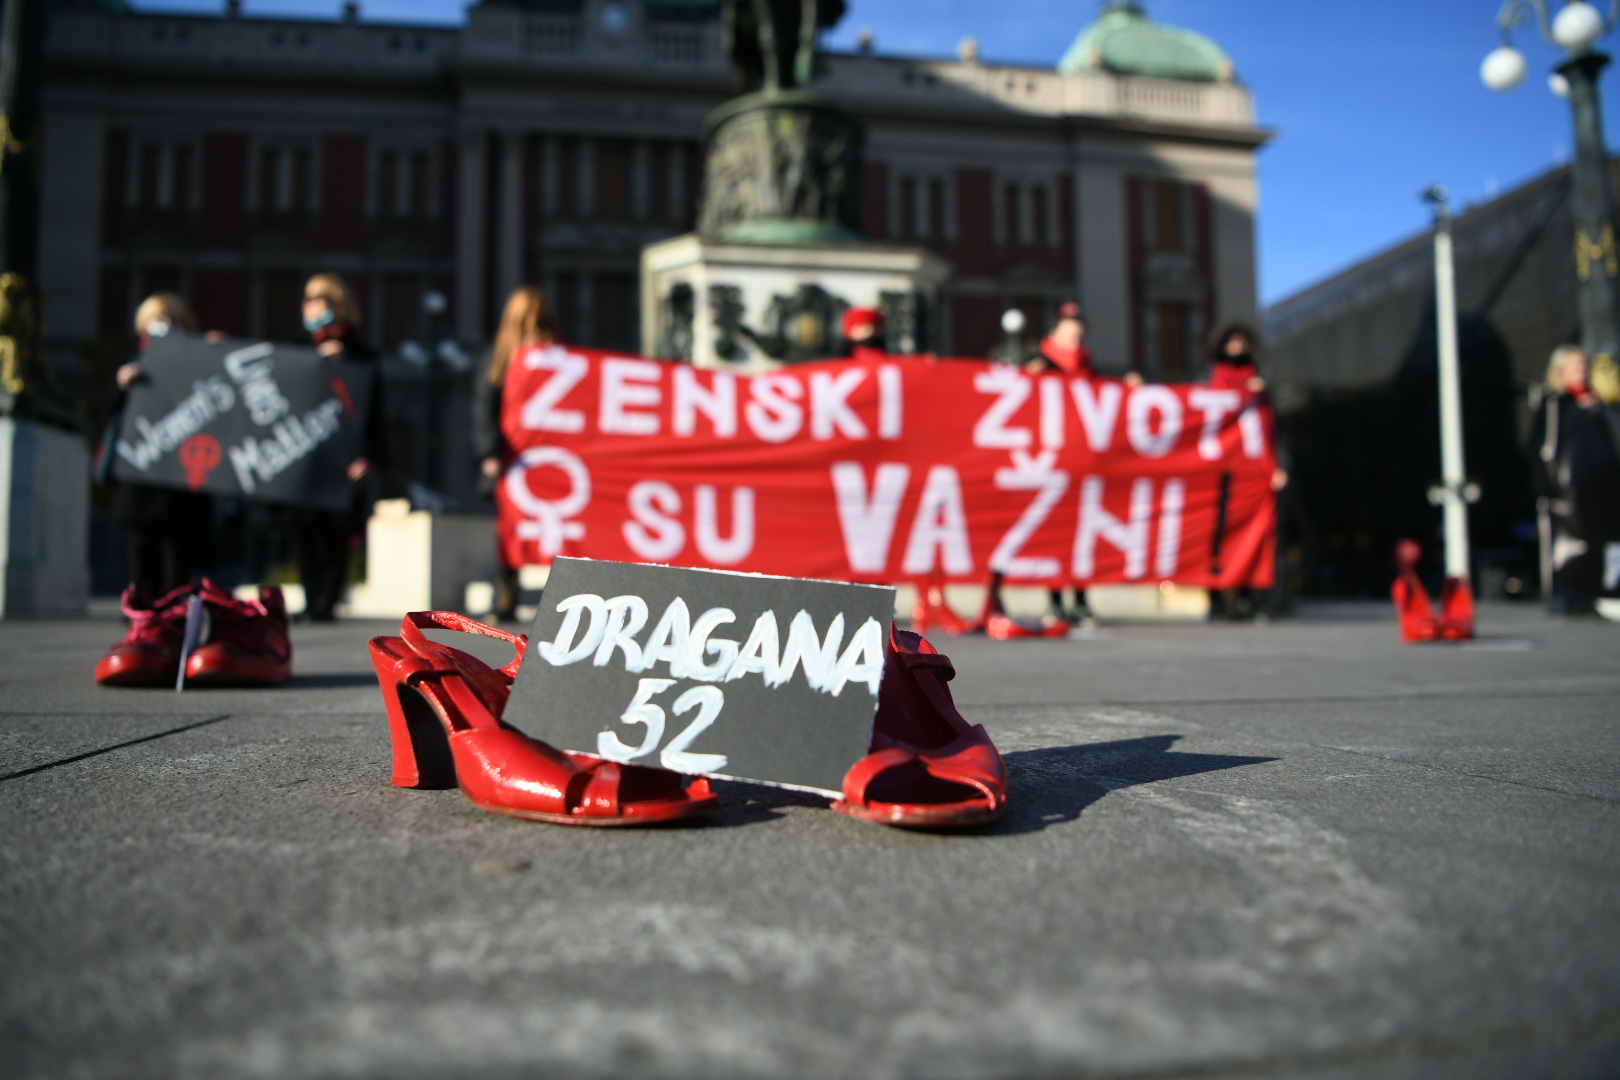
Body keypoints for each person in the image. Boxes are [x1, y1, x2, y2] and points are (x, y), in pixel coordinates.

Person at [288, 272, 388, 621]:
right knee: (303, 530)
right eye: (309, 298)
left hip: (345, 460)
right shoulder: (298, 349)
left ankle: (327, 600)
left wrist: (370, 457)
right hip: (305, 458)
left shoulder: (362, 355)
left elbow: (374, 410)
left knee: (336, 532)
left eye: (321, 299)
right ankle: (310, 595)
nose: (313, 306)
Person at [104, 293, 217, 597]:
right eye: (158, 317)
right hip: (141, 480)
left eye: (172, 318)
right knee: (142, 559)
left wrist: (217, 354)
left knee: (177, 563)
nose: (165, 324)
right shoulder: (131, 362)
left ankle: (174, 619)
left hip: (182, 484)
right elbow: (109, 414)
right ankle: (143, 618)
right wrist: (122, 385)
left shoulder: (200, 361)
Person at [475, 285, 557, 622]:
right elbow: (484, 408)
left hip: (547, 458)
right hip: (513, 459)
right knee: (510, 532)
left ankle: (544, 600)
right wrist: (489, 451)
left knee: (552, 529)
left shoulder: (552, 356)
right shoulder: (499, 358)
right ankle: (505, 599)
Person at [1204, 322, 1291, 620]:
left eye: (1242, 342)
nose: (1237, 348)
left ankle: (1245, 598)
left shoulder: (1259, 383)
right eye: (1232, 342)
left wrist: (1278, 465)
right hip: (1220, 471)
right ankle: (1216, 599)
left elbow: (1271, 429)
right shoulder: (1214, 377)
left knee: (1250, 536)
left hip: (1252, 474)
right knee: (1216, 535)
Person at [1530, 344, 1620, 615]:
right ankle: (1568, 594)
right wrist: (1549, 487)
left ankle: (1605, 592)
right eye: (1575, 365)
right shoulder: (1555, 402)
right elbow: (1544, 449)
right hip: (1568, 495)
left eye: (1584, 365)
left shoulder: (1601, 405)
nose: (1581, 371)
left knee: (1607, 544)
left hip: (1603, 490)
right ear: (1560, 371)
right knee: (1569, 545)